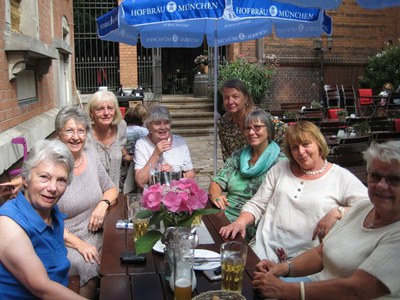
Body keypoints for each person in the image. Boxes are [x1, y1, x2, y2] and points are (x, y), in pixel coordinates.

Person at [252, 141, 400, 299]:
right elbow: (321, 253)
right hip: (315, 285)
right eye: (375, 176)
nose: (381, 186)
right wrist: (283, 268)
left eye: (394, 179)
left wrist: (284, 290)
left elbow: (357, 291)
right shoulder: (362, 208)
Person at [219, 121, 368, 262]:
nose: (301, 152)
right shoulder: (280, 168)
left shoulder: (339, 176)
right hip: (264, 249)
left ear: (318, 143)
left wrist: (339, 212)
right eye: (294, 147)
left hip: (306, 261)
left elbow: (370, 206)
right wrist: (240, 222)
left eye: (306, 144)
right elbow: (258, 203)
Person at [0, 139, 85, 299]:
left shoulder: (51, 212)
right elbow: (42, 288)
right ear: (25, 179)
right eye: (44, 177)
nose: (52, 188)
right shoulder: (8, 223)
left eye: (61, 180)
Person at [55, 106, 118, 298]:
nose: (76, 137)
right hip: (64, 238)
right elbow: (43, 219)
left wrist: (102, 204)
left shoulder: (89, 157)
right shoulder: (53, 166)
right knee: (88, 266)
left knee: (122, 252)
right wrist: (80, 245)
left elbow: (112, 188)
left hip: (96, 233)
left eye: (81, 131)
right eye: (69, 131)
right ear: (59, 134)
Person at [209, 110, 285, 240]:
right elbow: (217, 181)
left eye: (257, 127)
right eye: (247, 128)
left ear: (268, 131)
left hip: (256, 220)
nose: (251, 132)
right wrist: (216, 195)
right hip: (225, 213)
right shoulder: (238, 156)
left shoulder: (280, 162)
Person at [217, 79, 288, 162]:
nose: (230, 102)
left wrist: (278, 160)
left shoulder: (259, 117)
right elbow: (227, 155)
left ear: (246, 98)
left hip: (265, 168)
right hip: (239, 171)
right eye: (226, 98)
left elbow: (286, 131)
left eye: (235, 97)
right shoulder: (224, 122)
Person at [134, 105, 195, 188]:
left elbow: (191, 176)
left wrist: (174, 174)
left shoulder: (180, 143)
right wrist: (156, 154)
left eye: (166, 123)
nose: (163, 127)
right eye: (157, 123)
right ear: (149, 126)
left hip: (176, 194)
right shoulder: (142, 144)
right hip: (151, 196)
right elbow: (140, 182)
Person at [85, 90, 128, 188]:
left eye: (110, 108)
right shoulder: (85, 134)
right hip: (93, 197)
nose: (106, 113)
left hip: (116, 193)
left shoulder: (121, 127)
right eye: (100, 109)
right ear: (92, 112)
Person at [120, 105, 149, 192]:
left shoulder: (122, 131)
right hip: (140, 162)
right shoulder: (144, 131)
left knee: (125, 185)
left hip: (124, 162)